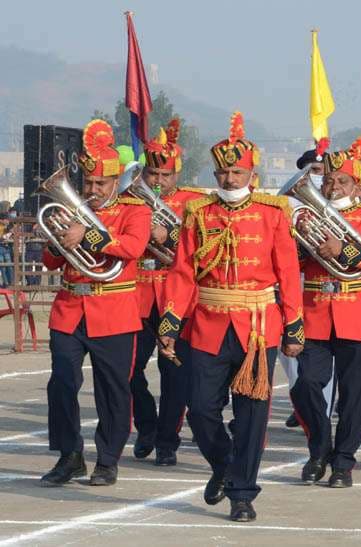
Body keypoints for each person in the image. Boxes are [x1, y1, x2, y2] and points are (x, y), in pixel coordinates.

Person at [158, 112, 304, 522]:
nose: (228, 179)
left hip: (258, 325)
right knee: (201, 407)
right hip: (207, 322)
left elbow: (288, 274)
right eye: (222, 171)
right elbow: (183, 271)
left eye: (236, 171)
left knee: (252, 415)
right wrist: (170, 324)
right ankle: (223, 464)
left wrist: (294, 326)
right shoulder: (199, 212)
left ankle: (242, 493)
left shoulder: (273, 212)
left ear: (251, 172)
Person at [39, 119, 151, 487]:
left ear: (115, 181)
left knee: (113, 388)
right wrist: (59, 241)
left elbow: (133, 248)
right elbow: (51, 262)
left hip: (114, 311)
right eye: (87, 183)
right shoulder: (71, 210)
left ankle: (107, 458)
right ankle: (70, 454)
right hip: (70, 310)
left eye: (100, 183)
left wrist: (88, 235)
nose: (92, 190)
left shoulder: (135, 210)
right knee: (61, 383)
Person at [291, 136, 361, 488]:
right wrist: (300, 242)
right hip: (316, 312)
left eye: (342, 181)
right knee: (305, 383)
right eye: (329, 180)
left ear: (357, 185)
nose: (333, 185)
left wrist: (345, 251)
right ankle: (319, 447)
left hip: (358, 313)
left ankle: (344, 461)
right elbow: (295, 261)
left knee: (355, 395)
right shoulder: (309, 215)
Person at [130, 120, 206, 466]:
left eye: (165, 175)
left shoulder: (195, 203)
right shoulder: (131, 199)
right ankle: (146, 426)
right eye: (152, 174)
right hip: (137, 294)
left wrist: (169, 237)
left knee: (174, 373)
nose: (158, 182)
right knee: (127, 370)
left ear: (177, 173)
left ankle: (167, 440)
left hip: (178, 297)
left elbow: (203, 250)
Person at [282, 143, 334, 429]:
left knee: (317, 354)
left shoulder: (334, 203)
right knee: (289, 349)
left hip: (324, 285)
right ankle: (299, 399)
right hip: (298, 279)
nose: (316, 176)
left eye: (321, 171)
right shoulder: (290, 203)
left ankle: (319, 408)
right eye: (312, 170)